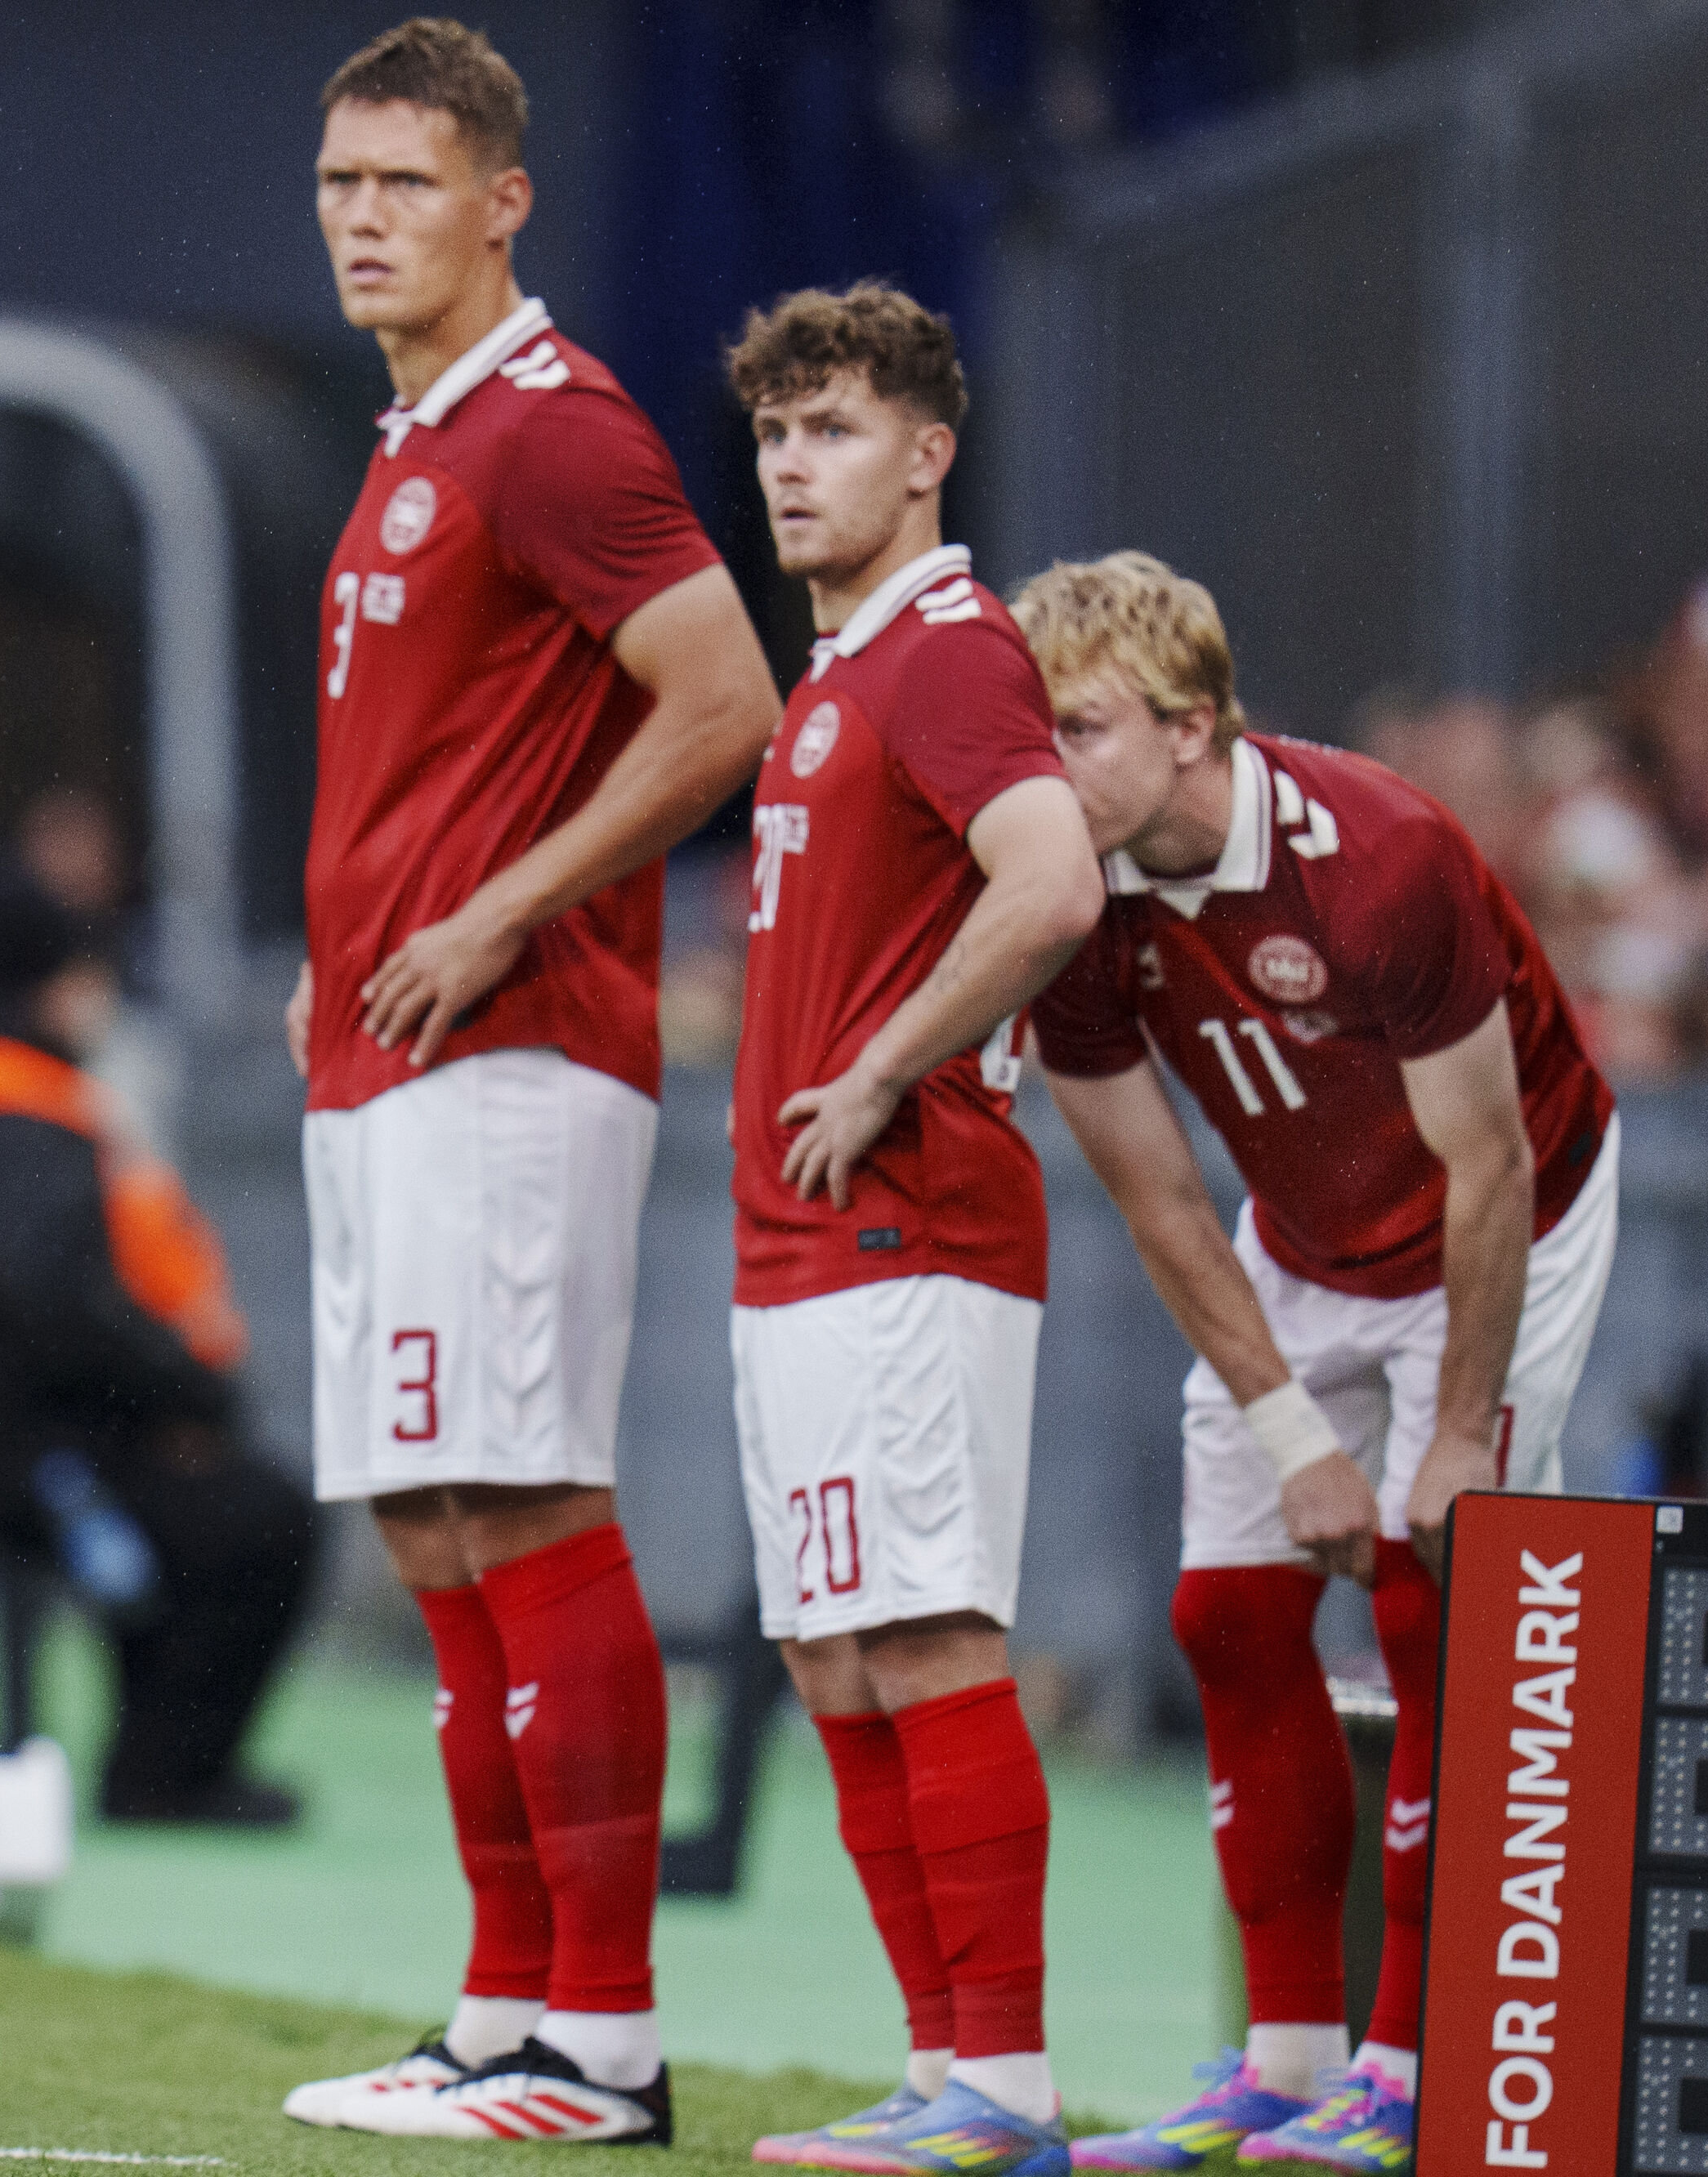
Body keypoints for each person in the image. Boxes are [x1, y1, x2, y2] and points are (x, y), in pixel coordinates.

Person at [275, 18, 784, 2149]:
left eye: (405, 184)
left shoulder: (552, 429)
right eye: (340, 185)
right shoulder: (420, 436)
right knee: (435, 1517)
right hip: (384, 1051)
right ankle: (501, 2013)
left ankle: (605, 2041)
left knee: (526, 1503)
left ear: (503, 203)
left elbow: (727, 698)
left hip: (511, 1048)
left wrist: (501, 908)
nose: (363, 220)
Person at [1017, 553, 1618, 2174]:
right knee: (1225, 1614)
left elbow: (1488, 1162)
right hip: (1300, 1231)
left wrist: (1456, 1436)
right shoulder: (1065, 900)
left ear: (1191, 726)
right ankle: (1284, 2069)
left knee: (1434, 1602)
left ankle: (1410, 2069)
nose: (1043, 767)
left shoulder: (1381, 856)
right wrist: (1295, 1435)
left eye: (1078, 729)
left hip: (1507, 1218)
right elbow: (1155, 1192)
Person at [723, 283, 1103, 2175]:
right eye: (775, 433)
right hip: (801, 1240)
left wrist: (878, 1063)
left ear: (927, 454)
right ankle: (938, 2068)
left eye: (835, 430)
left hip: (909, 1224)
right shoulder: (837, 672)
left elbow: (1052, 883)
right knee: (836, 1656)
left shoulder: (946, 651)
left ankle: (1004, 2090)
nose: (793, 466)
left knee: (924, 1636)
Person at [0, 874, 314, 1826]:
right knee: (257, 1520)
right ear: (63, 984)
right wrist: (187, 1397)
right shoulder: (22, 1101)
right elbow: (41, 1304)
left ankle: (154, 1765)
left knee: (171, 1516)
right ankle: (168, 1775)